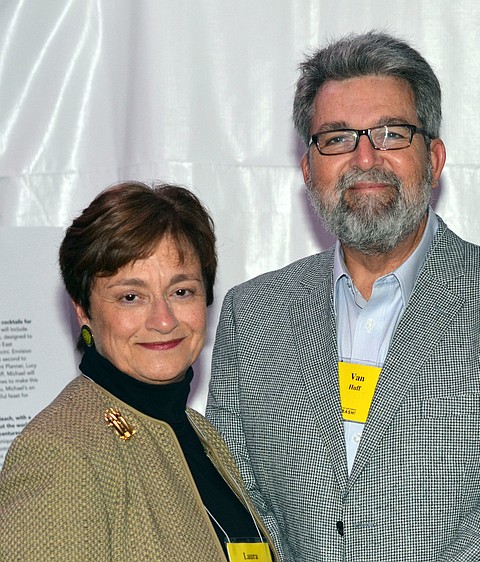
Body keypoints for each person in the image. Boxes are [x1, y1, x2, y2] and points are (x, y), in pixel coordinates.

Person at [206, 30, 480, 561]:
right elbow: (239, 503)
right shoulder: (255, 315)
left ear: (434, 157)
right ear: (308, 168)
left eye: (390, 133)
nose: (364, 158)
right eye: (336, 138)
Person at [0, 182, 278, 561]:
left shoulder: (200, 433)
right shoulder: (60, 452)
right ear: (83, 310)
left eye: (182, 292)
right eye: (131, 297)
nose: (163, 321)